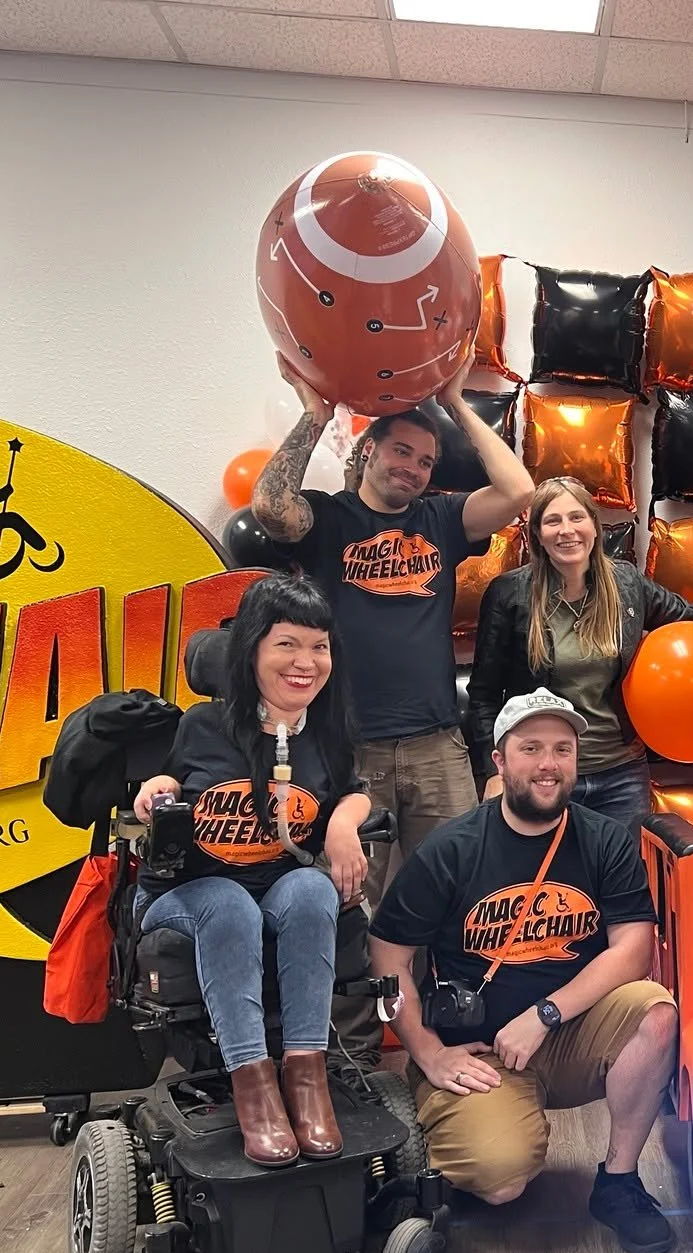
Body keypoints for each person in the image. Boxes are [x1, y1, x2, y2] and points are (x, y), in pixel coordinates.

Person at [253, 352, 534, 1068]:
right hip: (352, 752)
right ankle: (352, 1062)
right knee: (353, 907)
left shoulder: (441, 517)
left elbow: (518, 489)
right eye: (401, 450)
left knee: (468, 894)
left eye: (425, 458)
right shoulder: (330, 520)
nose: (412, 467)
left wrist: (456, 403)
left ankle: (459, 1040)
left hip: (439, 746)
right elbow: (269, 508)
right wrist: (316, 417)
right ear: (369, 451)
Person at [367, 689, 680, 1253]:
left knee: (655, 1011)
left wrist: (546, 1014)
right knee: (503, 1181)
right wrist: (429, 1051)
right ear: (500, 760)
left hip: (566, 1033)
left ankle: (619, 1182)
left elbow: (633, 949)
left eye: (563, 749)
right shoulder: (450, 851)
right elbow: (387, 961)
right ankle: (450, 1124)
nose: (548, 764)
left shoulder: (605, 839)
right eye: (530, 748)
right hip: (479, 1052)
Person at [131, 573, 371, 1167]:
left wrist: (344, 823)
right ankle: (253, 1084)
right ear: (253, 650)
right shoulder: (202, 725)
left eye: (319, 646)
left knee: (313, 887)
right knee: (229, 903)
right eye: (286, 644)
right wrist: (156, 788)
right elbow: (163, 783)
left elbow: (355, 791)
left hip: (274, 887)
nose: (306, 662)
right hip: (184, 895)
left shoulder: (327, 733)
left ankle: (306, 1077)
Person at [466, 477, 693, 828]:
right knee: (552, 881)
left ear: (594, 528)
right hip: (542, 774)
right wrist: (492, 772)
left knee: (620, 879)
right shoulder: (509, 594)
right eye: (553, 521)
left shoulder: (626, 584)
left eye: (576, 517)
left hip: (619, 776)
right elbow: (483, 696)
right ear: (537, 533)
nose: (567, 530)